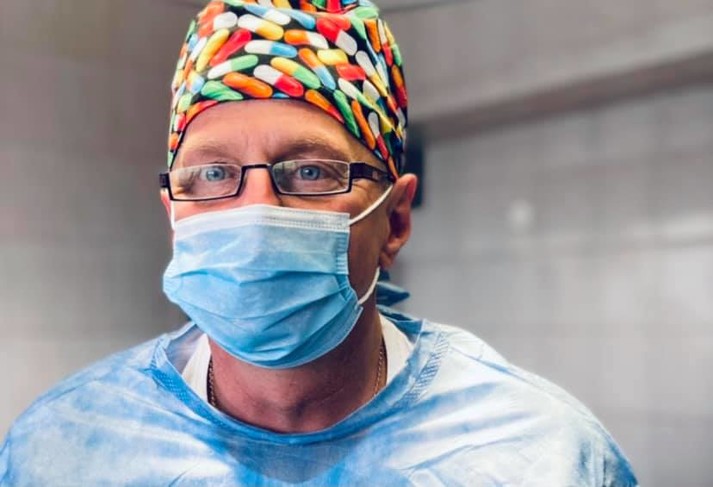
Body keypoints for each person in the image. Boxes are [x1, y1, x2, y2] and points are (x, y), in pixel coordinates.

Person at [1, 0, 638, 485]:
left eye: (310, 172)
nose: (255, 211)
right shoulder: (60, 450)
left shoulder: (539, 455)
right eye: (213, 175)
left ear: (395, 220)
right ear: (175, 216)